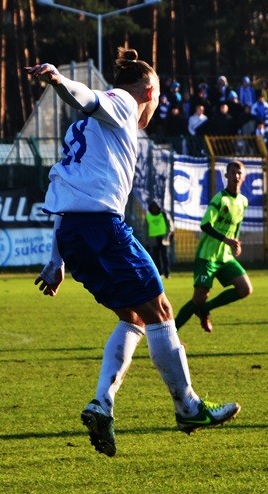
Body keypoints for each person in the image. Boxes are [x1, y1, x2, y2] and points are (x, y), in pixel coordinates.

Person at [25, 48, 240, 458]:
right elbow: (86, 95)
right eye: (156, 97)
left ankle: (101, 404)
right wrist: (57, 80)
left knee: (135, 317)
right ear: (148, 90)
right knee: (161, 310)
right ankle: (188, 407)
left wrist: (56, 261)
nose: (155, 107)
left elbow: (63, 189)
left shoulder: (86, 130)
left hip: (72, 232)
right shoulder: (123, 102)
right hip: (102, 228)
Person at [174, 160, 253, 333]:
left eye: (240, 173)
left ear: (244, 176)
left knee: (245, 288)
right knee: (198, 299)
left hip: (225, 256)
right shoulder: (220, 199)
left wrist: (235, 243)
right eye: (233, 172)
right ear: (226, 175)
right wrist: (227, 240)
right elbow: (205, 225)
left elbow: (237, 224)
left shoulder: (243, 201)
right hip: (207, 256)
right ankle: (168, 335)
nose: (236, 176)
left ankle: (206, 309)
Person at [146, 200, 174, 279]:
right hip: (153, 239)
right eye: (153, 207)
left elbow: (170, 225)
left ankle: (167, 273)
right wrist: (146, 242)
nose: (154, 209)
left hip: (163, 238)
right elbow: (145, 229)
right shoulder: (148, 216)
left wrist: (169, 235)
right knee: (156, 257)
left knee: (165, 257)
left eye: (155, 207)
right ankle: (160, 273)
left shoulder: (163, 214)